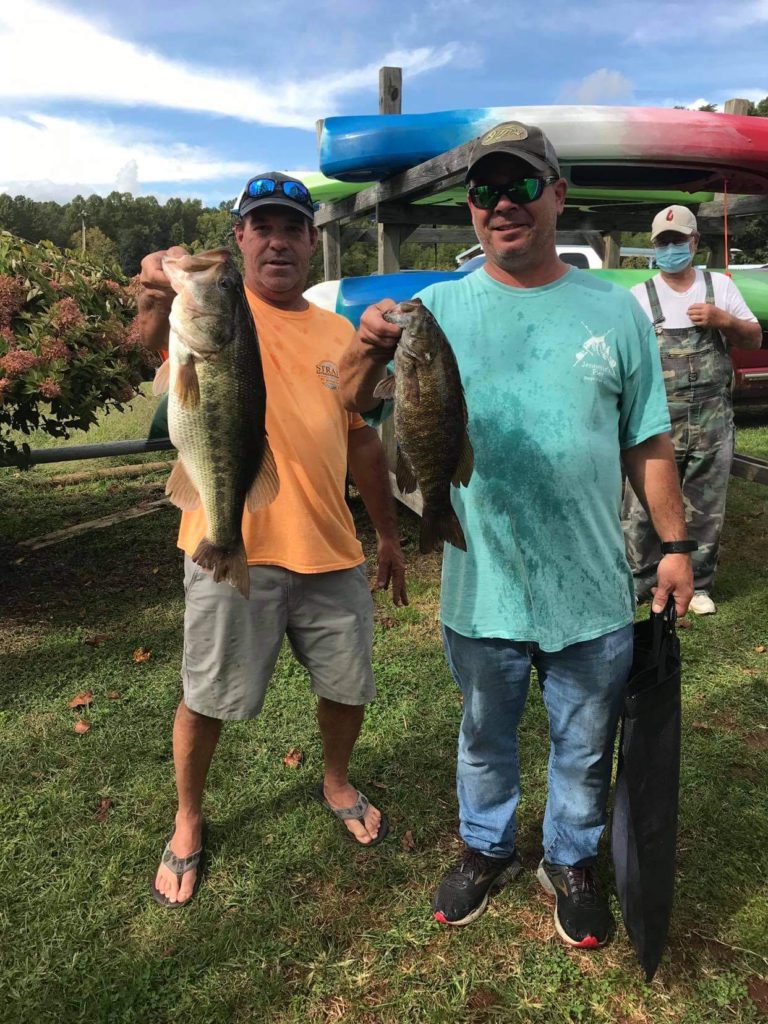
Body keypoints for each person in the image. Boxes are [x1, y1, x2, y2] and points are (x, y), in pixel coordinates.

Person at [339, 123, 694, 949]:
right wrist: (362, 353)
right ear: (470, 208)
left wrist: (675, 546)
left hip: (593, 586)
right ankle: (485, 844)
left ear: (557, 195)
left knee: (583, 741)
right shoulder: (435, 310)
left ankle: (569, 858)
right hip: (480, 582)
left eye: (523, 186)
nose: (504, 204)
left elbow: (648, 440)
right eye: (486, 191)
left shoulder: (617, 310)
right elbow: (351, 402)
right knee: (484, 737)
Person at [138, 172, 408, 907]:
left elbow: (364, 447)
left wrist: (386, 535)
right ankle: (188, 817)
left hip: (332, 551)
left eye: (292, 227)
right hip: (230, 545)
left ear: (311, 241)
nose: (278, 240)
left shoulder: (338, 333)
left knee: (347, 687)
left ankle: (336, 779)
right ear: (240, 240)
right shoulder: (209, 311)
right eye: (262, 226)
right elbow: (146, 357)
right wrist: (153, 296)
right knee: (206, 694)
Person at [622, 206, 762, 615]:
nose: (670, 249)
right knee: (643, 502)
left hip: (713, 420)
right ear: (654, 247)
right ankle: (641, 577)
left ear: (695, 242)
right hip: (656, 421)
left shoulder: (719, 287)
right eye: (663, 243)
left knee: (705, 503)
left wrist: (724, 320)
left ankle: (699, 583)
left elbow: (753, 339)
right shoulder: (640, 296)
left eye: (678, 241)